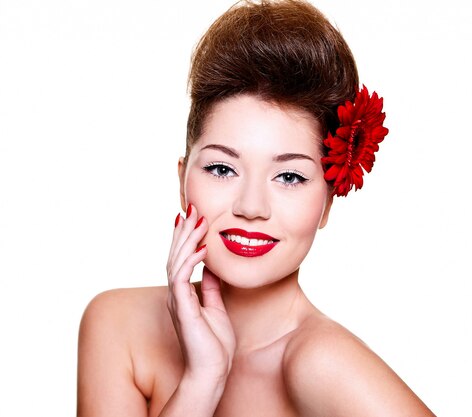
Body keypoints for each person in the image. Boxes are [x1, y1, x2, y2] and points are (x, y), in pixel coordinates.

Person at [77, 1, 435, 415]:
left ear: (326, 204)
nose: (251, 207)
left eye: (289, 177)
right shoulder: (118, 326)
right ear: (182, 180)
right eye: (222, 168)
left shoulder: (326, 365)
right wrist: (203, 379)